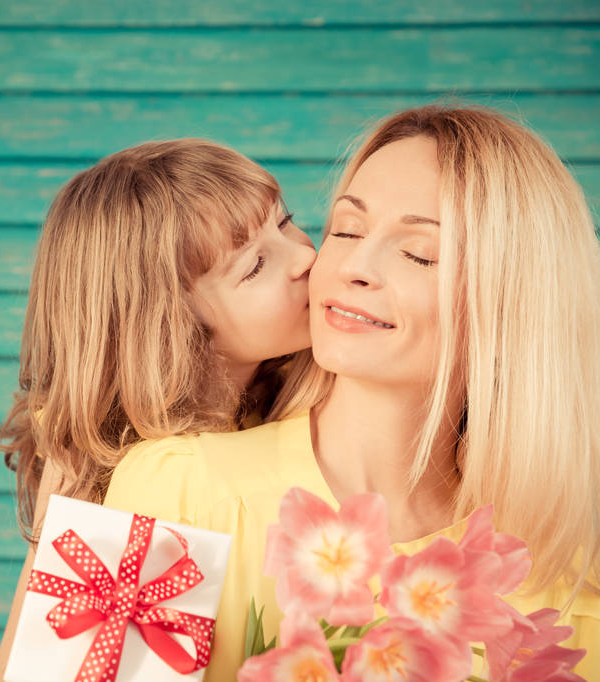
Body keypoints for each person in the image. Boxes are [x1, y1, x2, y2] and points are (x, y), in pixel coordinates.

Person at [105, 105, 600, 679]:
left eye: (420, 253)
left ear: (514, 304)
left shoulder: (566, 587)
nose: (352, 266)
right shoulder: (174, 487)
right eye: (346, 229)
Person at [0, 139, 319, 679]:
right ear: (171, 329)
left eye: (286, 224)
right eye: (255, 265)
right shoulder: (142, 481)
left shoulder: (291, 395)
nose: (306, 255)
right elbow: (63, 665)